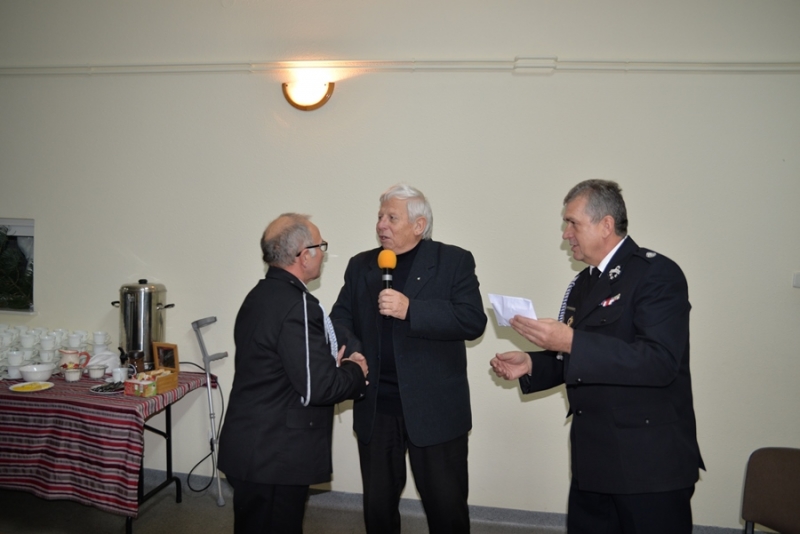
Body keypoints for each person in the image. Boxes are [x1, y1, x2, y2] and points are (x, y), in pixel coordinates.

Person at [491, 179, 704, 534]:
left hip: (647, 466)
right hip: (593, 460)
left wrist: (571, 341)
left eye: (573, 223)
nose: (566, 234)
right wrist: (532, 364)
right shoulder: (583, 284)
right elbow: (578, 357)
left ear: (606, 225)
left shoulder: (656, 274)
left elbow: (659, 361)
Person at [331, 184, 487, 533]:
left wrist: (412, 309)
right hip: (377, 408)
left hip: (435, 411)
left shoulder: (453, 261)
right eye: (380, 217)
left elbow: (472, 320)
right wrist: (352, 350)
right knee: (378, 509)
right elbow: (339, 318)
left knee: (446, 510)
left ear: (419, 225)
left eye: (392, 218)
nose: (381, 225)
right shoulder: (361, 265)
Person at [218, 213, 369, 534]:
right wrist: (355, 370)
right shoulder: (298, 305)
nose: (323, 253)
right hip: (275, 455)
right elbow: (319, 387)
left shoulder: (259, 295)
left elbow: (284, 369)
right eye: (320, 246)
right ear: (304, 256)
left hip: (253, 446)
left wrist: (327, 364)